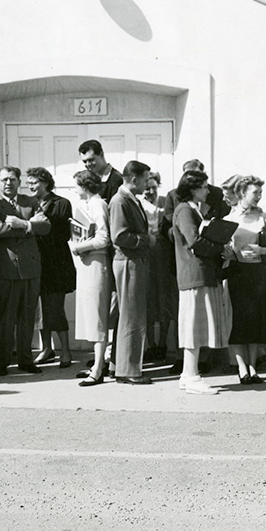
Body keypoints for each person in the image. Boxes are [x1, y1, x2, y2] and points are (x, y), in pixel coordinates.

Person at [0, 166, 50, 376]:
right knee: (4, 318)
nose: (8, 183)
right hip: (5, 269)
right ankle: (3, 362)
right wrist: (30, 228)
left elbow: (46, 226)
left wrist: (23, 223)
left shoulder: (30, 202)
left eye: (12, 179)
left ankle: (25, 360)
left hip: (30, 269)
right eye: (4, 180)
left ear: (19, 182)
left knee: (27, 317)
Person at [172, 170, 230, 395]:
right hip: (194, 275)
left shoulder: (193, 209)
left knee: (195, 326)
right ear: (193, 189)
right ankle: (193, 376)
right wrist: (219, 247)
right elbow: (195, 241)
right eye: (204, 187)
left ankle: (188, 374)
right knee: (194, 327)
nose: (208, 190)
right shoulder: (185, 210)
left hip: (200, 274)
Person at [225, 175, 266, 384]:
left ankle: (252, 367)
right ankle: (241, 368)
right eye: (255, 192)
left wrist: (262, 250)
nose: (259, 196)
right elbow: (224, 248)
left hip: (259, 274)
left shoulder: (264, 217)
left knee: (256, 323)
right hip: (238, 273)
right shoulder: (231, 218)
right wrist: (232, 255)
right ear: (242, 193)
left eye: (260, 193)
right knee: (240, 322)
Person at [109, 160, 156, 384]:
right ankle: (129, 371)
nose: (148, 184)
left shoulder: (130, 199)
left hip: (134, 261)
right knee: (133, 316)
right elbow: (119, 236)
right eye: (146, 180)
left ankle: (118, 365)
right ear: (134, 179)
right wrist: (147, 240)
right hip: (129, 261)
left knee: (128, 314)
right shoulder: (120, 200)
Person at [27, 167, 76, 368]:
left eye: (35, 182)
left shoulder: (61, 203)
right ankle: (46, 349)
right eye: (28, 183)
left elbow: (63, 234)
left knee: (55, 308)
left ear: (46, 182)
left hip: (56, 263)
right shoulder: (29, 203)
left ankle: (65, 351)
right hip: (36, 262)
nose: (31, 186)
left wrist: (38, 227)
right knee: (40, 309)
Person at [69, 170, 112, 386]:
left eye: (77, 184)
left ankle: (98, 368)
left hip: (96, 263)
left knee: (97, 316)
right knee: (91, 315)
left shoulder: (98, 204)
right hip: (86, 263)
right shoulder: (87, 205)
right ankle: (98, 364)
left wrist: (78, 246)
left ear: (85, 185)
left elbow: (104, 237)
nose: (74, 189)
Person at [141, 171, 176, 362]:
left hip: (163, 255)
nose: (151, 191)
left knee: (164, 298)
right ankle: (150, 344)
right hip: (146, 255)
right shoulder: (138, 205)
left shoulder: (164, 202)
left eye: (154, 187)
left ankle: (162, 342)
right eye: (147, 188)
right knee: (147, 300)